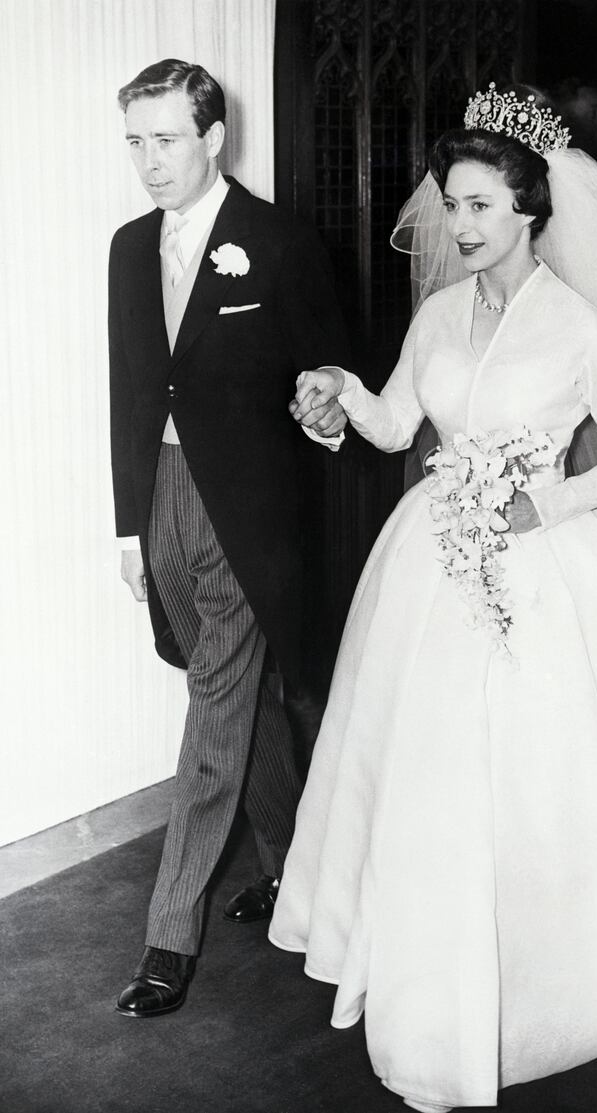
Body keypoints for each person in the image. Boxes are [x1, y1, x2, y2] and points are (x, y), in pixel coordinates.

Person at [269, 85, 597, 1111]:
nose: (457, 226)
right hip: (430, 562)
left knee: (544, 778)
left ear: (529, 210)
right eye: (450, 203)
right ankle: (429, 980)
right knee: (427, 771)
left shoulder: (581, 325)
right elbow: (393, 421)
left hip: (548, 566)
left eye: (479, 206)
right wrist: (334, 393)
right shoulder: (440, 315)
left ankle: (554, 982)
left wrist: (541, 507)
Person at [109, 59, 348, 1018]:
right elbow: (129, 394)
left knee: (213, 718)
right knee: (230, 689)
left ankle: (170, 936)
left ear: (214, 137)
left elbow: (330, 360)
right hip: (162, 494)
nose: (149, 161)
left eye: (166, 139)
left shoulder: (278, 238)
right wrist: (128, 527)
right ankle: (293, 868)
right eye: (135, 140)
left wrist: (325, 394)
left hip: (249, 511)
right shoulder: (129, 248)